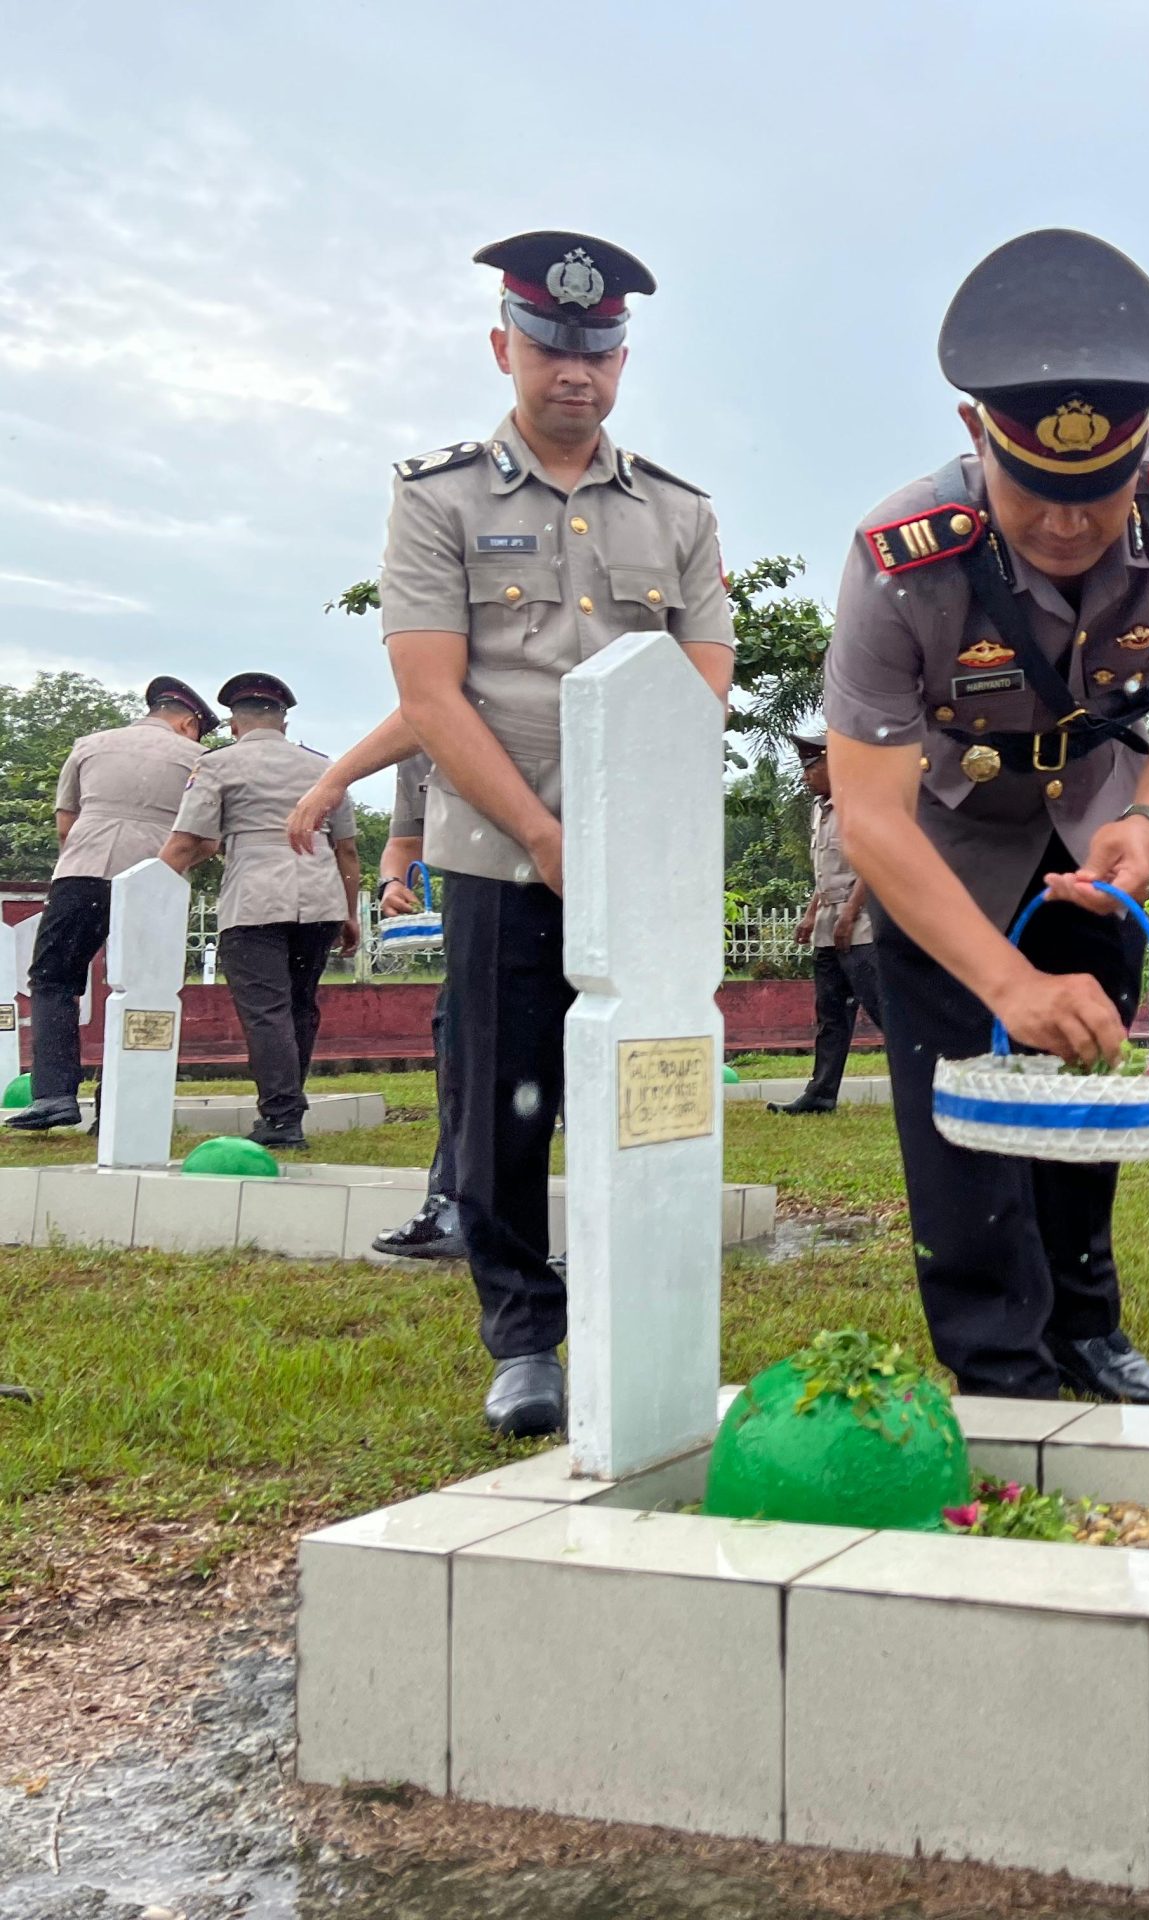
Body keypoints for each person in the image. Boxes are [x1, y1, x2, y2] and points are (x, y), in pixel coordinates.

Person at [824, 229, 1149, 1404]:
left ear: (1145, 449)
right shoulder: (901, 560)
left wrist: (1146, 825)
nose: (1067, 529)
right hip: (941, 842)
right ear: (974, 438)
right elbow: (870, 814)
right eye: (1036, 496)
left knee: (1082, 1098)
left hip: (1092, 827)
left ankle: (1088, 1329)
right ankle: (1000, 1363)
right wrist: (1003, 986)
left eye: (1098, 498)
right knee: (963, 1116)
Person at [378, 230, 735, 1436]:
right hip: (496, 853)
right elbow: (433, 694)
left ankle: (643, 1291)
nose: (570, 370)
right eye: (546, 345)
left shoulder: (680, 512)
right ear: (503, 348)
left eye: (594, 350)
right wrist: (541, 835)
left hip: (643, 859)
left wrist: (630, 835)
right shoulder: (437, 498)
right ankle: (524, 1333)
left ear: (622, 361)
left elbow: (703, 683)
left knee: (651, 1083)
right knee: (502, 1102)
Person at [159, 675, 361, 1151]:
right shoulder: (322, 767)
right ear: (284, 720)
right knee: (298, 1006)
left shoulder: (217, 765)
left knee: (266, 1011)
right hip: (319, 897)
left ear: (233, 723)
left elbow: (188, 841)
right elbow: (347, 849)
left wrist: (149, 893)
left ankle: (282, 1117)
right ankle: (287, 1106)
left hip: (254, 899)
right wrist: (349, 912)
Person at [8, 676, 215, 1133]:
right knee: (143, 987)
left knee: (54, 979)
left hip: (81, 872)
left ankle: (55, 1095)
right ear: (187, 723)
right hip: (153, 878)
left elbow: (67, 824)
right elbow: (207, 840)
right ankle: (120, 1102)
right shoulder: (200, 760)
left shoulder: (89, 745)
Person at [289, 720, 464, 1255]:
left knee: (578, 1053)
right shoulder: (420, 745)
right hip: (477, 905)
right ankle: (454, 1206)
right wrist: (392, 882)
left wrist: (332, 781)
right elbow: (404, 842)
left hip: (572, 894)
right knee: (462, 1043)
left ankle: (608, 1216)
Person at [771, 731, 881, 1115]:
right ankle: (820, 1095)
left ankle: (924, 1080)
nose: (805, 776)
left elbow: (874, 863)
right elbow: (826, 871)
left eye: (812, 767)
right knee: (830, 1013)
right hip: (828, 923)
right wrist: (811, 913)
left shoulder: (859, 803)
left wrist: (850, 913)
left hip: (862, 921)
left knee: (882, 1007)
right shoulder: (821, 808)